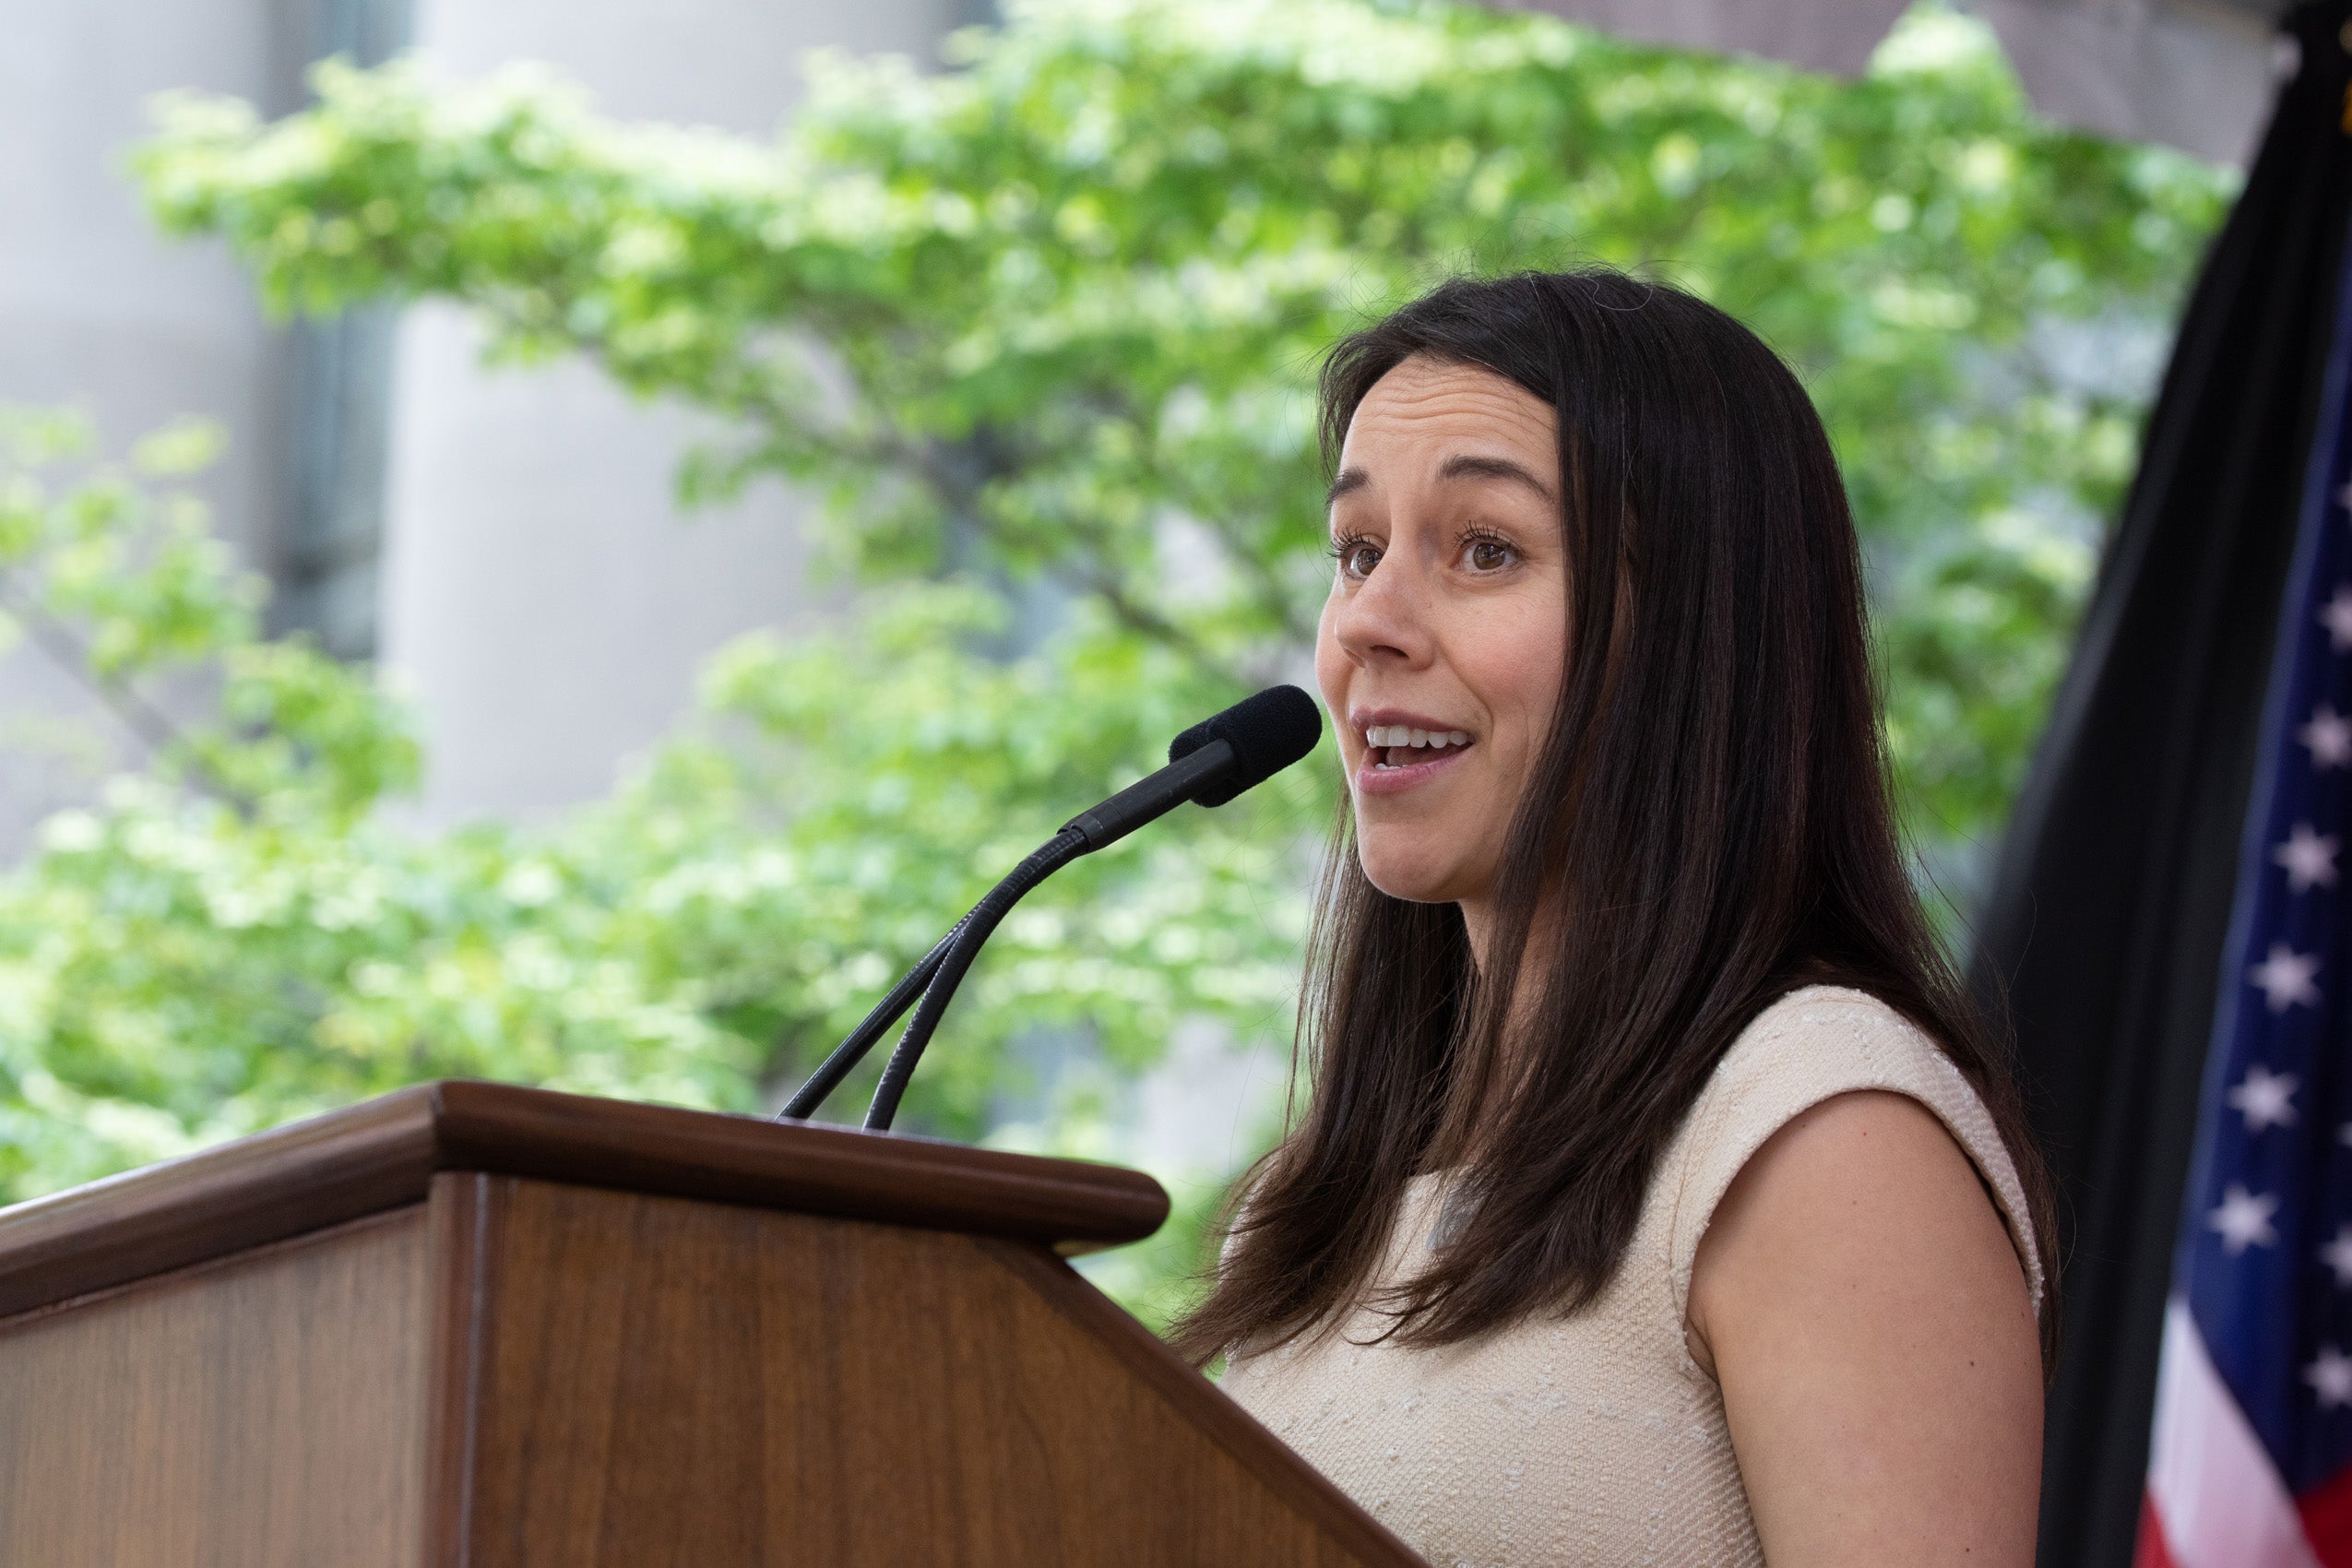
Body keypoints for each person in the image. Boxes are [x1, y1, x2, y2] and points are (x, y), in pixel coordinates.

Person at [1172, 270, 2053, 1567]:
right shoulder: (1317, 1204)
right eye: (1355, 551)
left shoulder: (1818, 1130)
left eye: (1484, 549)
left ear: (1691, 636)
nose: (1365, 621)